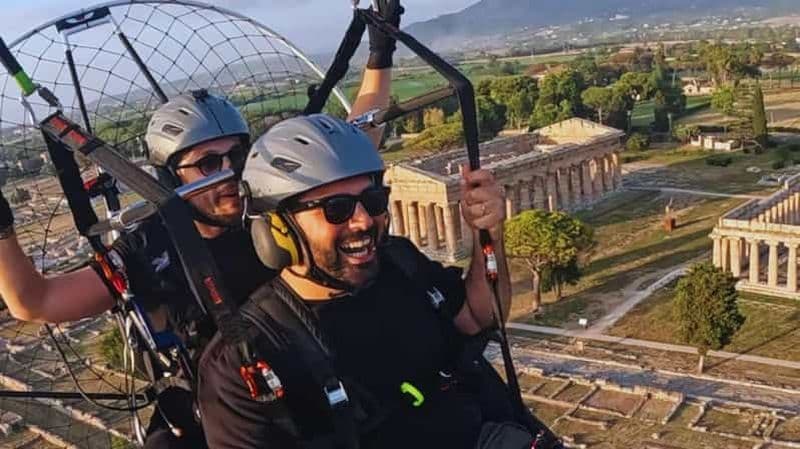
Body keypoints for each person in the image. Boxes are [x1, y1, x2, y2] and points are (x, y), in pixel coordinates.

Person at [0, 1, 404, 446]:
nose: (228, 172)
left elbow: (356, 141)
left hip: (322, 369)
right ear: (171, 176)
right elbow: (35, 301)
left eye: (236, 155)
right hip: (225, 406)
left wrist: (379, 52)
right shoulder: (149, 247)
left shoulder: (272, 203)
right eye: (208, 163)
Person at [196, 113, 559, 449]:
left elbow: (479, 317)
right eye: (336, 208)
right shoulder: (243, 362)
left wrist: (489, 236)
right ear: (278, 229)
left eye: (372, 200)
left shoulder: (399, 263)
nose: (364, 221)